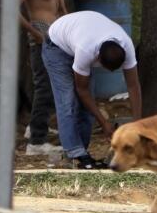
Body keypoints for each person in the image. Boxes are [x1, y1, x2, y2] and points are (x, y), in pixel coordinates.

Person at [42, 10, 142, 169]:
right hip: (56, 47)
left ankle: (82, 154)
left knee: (88, 106)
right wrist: (104, 123)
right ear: (98, 58)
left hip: (78, 34)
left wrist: (137, 126)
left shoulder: (126, 45)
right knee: (67, 101)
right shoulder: (86, 50)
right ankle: (74, 155)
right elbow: (82, 90)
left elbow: (133, 85)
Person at [18, 0, 72, 156]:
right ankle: (36, 142)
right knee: (44, 87)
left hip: (58, 34)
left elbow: (61, 6)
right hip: (40, 35)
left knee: (56, 83)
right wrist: (34, 32)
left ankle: (35, 126)